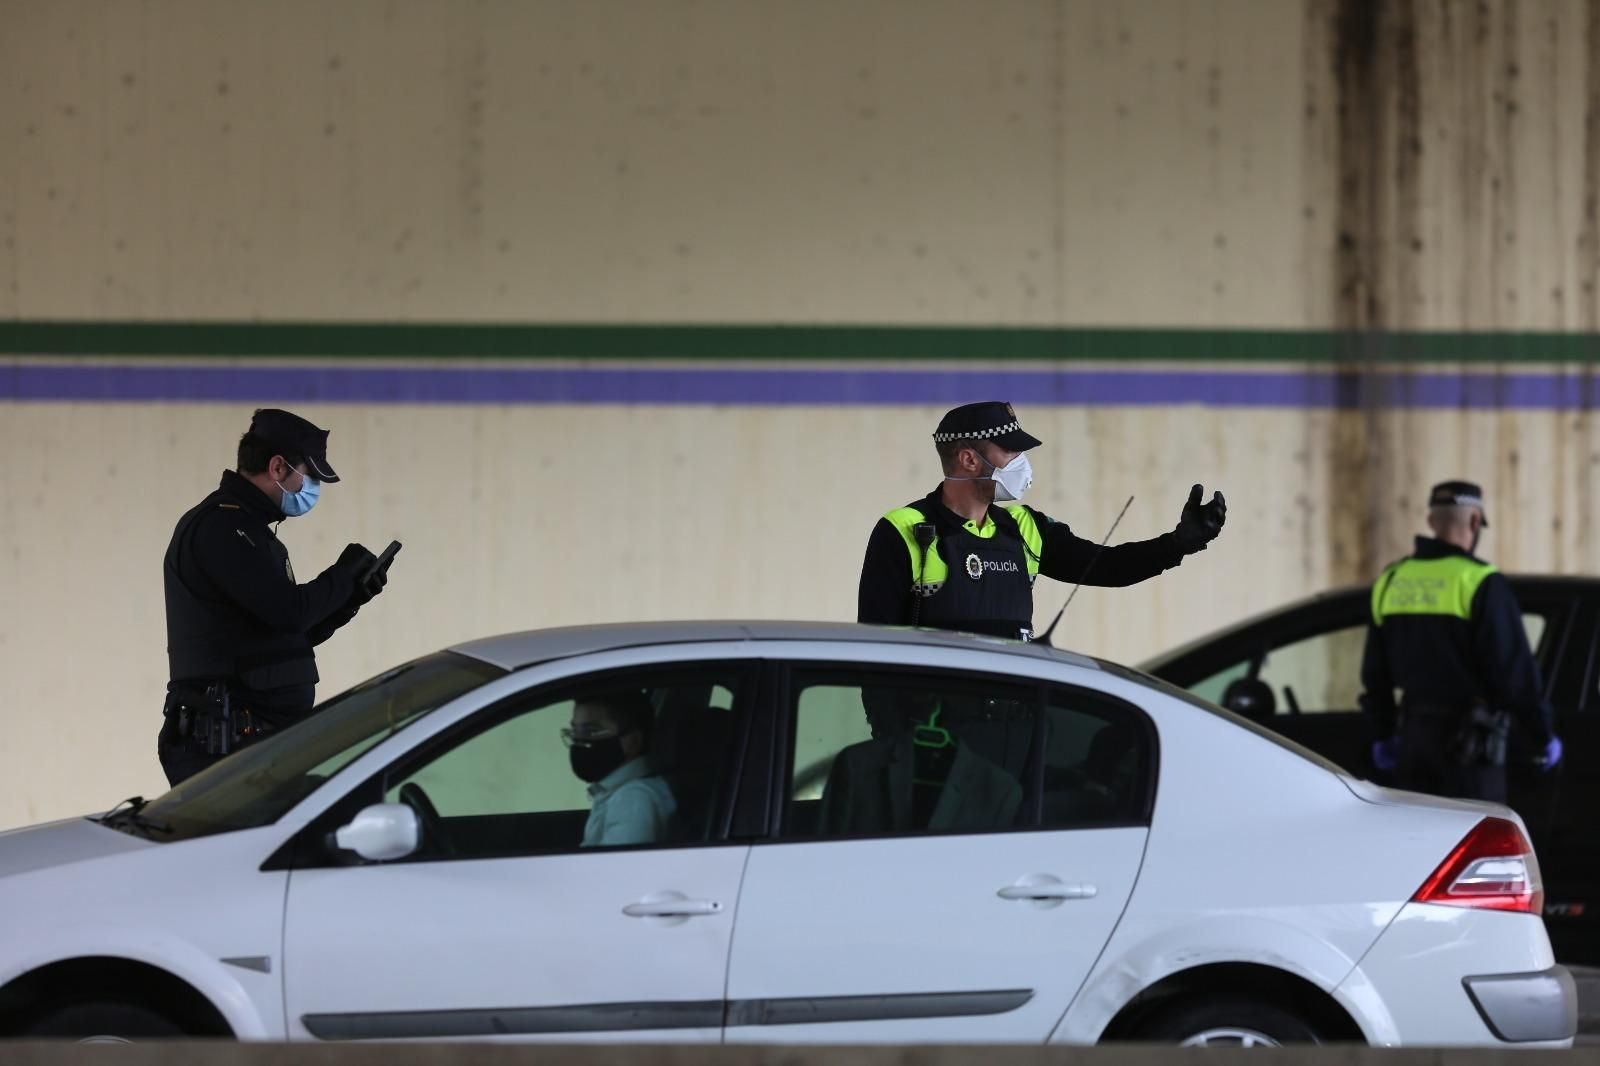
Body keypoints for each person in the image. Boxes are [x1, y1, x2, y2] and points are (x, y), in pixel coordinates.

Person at [857, 400, 1227, 642]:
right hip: (933, 740)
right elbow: (873, 647)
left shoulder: (1024, 526)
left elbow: (1106, 567)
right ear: (969, 460)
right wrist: (895, 741)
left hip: (1015, 732)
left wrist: (1178, 544)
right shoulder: (902, 529)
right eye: (1010, 451)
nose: (1021, 462)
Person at [160, 409, 392, 786]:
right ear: (278, 468)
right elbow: (289, 614)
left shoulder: (248, 530)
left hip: (256, 743)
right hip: (226, 747)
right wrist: (341, 576)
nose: (313, 488)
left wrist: (350, 597)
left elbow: (280, 635)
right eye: (310, 475)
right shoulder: (222, 527)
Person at [1359, 480, 1562, 803]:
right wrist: (1543, 734)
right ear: (1474, 521)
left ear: (1431, 522)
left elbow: (1375, 675)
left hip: (1413, 739)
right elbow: (1514, 674)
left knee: (1421, 840)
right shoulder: (1480, 581)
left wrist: (1383, 734)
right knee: (1473, 839)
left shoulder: (1392, 580)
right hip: (1471, 746)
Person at [564, 689, 676, 847]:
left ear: (633, 741)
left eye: (591, 731)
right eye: (575, 731)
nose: (579, 740)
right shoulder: (615, 792)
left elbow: (614, 869)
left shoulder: (633, 799)